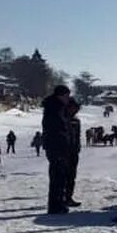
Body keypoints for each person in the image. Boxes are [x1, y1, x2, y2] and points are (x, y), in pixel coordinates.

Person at [42, 85, 72, 214]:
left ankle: (58, 203)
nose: (68, 99)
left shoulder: (56, 107)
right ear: (61, 95)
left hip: (57, 146)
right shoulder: (54, 109)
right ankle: (56, 205)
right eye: (66, 96)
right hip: (56, 147)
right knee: (57, 177)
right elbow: (56, 130)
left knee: (59, 177)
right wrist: (62, 146)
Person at [65, 99, 82, 207]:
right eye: (74, 108)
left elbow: (78, 136)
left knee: (72, 176)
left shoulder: (76, 120)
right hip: (63, 151)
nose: (76, 111)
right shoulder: (61, 118)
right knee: (63, 177)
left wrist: (77, 147)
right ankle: (61, 198)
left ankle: (68, 197)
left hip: (73, 151)